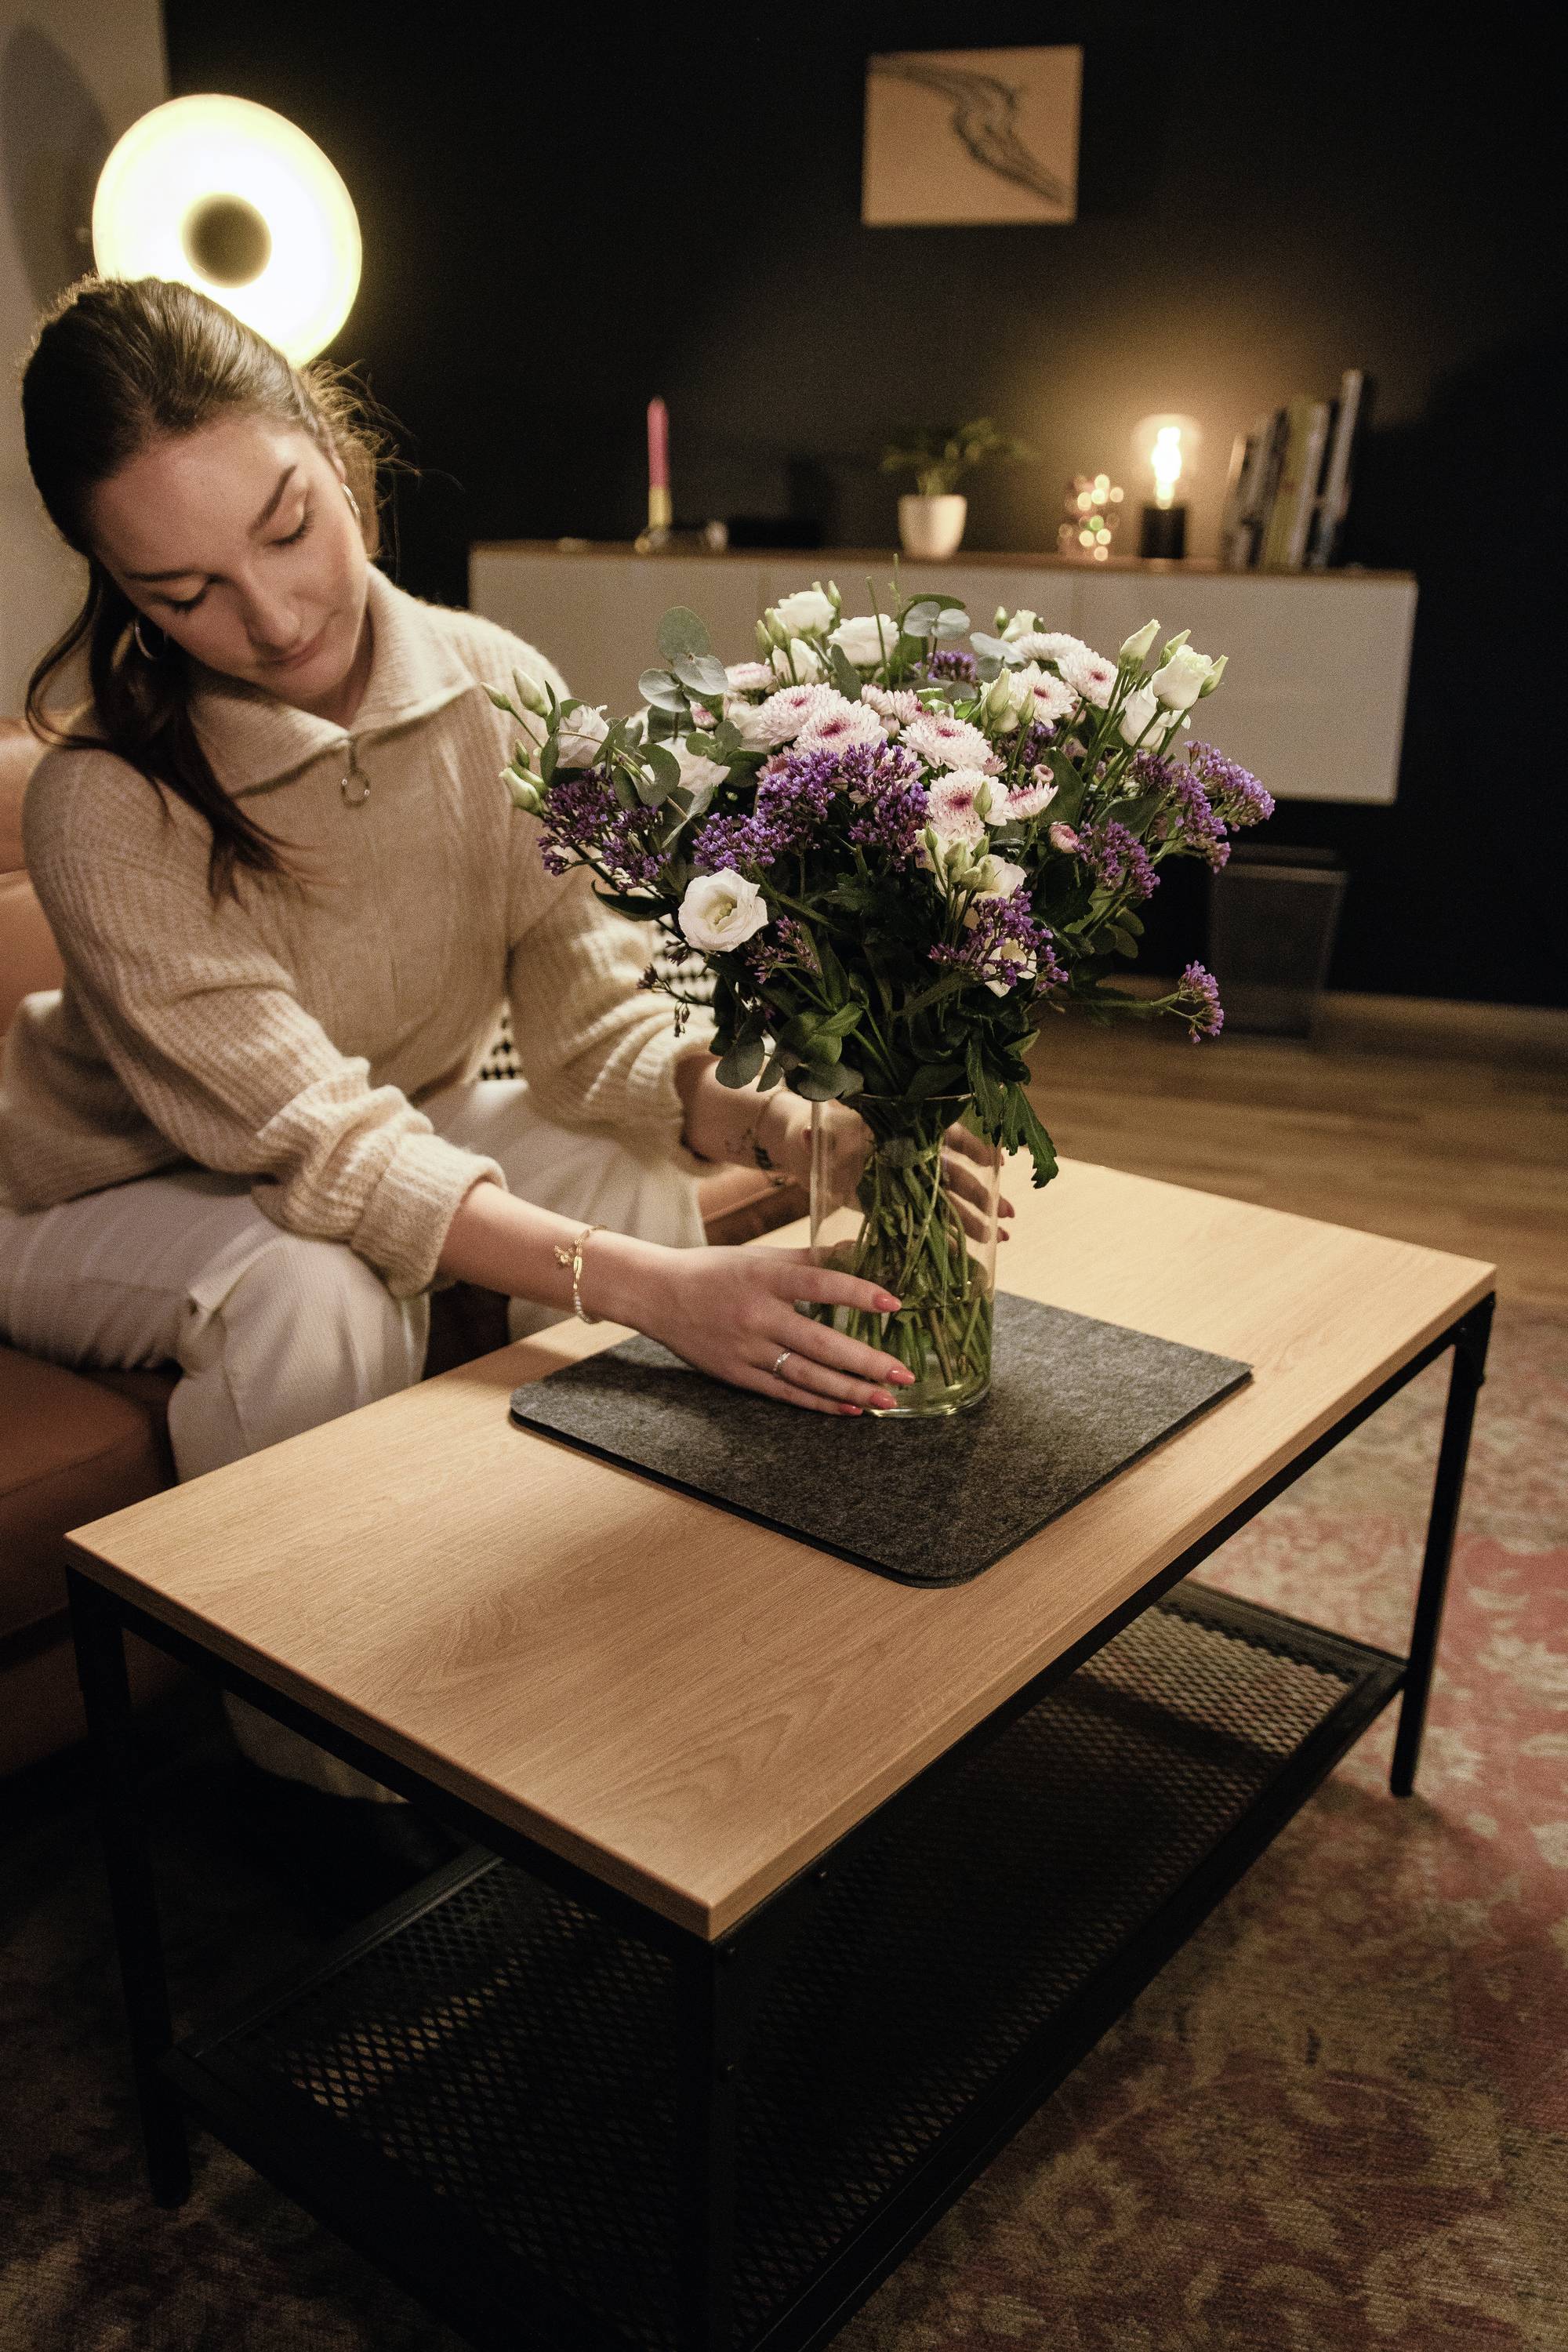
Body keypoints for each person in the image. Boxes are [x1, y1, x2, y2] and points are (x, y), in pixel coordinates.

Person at [0, 277, 972, 1911]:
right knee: (315, 1293)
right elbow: (315, 1147)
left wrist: (779, 1119)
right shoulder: (105, 804)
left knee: (621, 1175)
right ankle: (311, 1769)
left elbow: (591, 1031)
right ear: (116, 587)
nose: (274, 613)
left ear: (330, 444)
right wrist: (658, 1298)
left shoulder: (497, 687)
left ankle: (578, 1614)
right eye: (183, 591)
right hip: (91, 1192)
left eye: (288, 526)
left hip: (363, 1125)